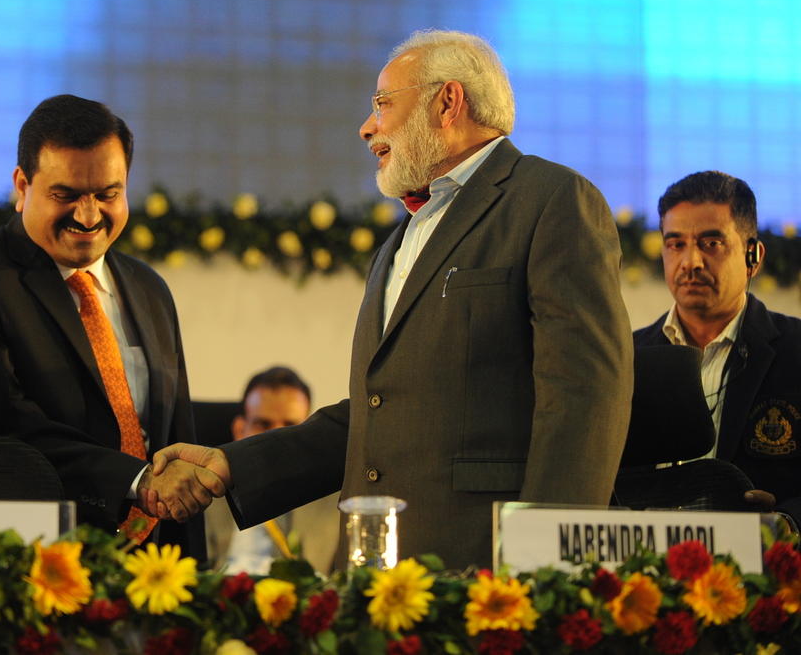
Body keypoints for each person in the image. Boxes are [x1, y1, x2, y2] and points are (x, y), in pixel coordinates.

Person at [154, 30, 634, 570]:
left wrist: (550, 563)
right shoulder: (398, 243)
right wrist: (229, 464)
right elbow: (377, 415)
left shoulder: (550, 201)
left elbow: (585, 395)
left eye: (383, 104)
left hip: (484, 566)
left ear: (447, 102)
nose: (367, 128)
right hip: (372, 573)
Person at [0, 94, 222, 559]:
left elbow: (177, 436)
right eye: (66, 195)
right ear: (22, 185)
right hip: (27, 562)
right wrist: (136, 481)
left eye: (107, 194)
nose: (88, 215)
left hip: (152, 571)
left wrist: (193, 575)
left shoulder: (149, 288)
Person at [633, 171, 801, 524]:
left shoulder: (795, 350)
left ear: (752, 255)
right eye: (675, 244)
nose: (690, 262)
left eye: (711, 243)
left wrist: (788, 521)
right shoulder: (628, 356)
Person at [204, 366, 340, 575]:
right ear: (240, 430)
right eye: (263, 424)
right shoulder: (206, 491)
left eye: (290, 426)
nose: (276, 439)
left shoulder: (338, 500)